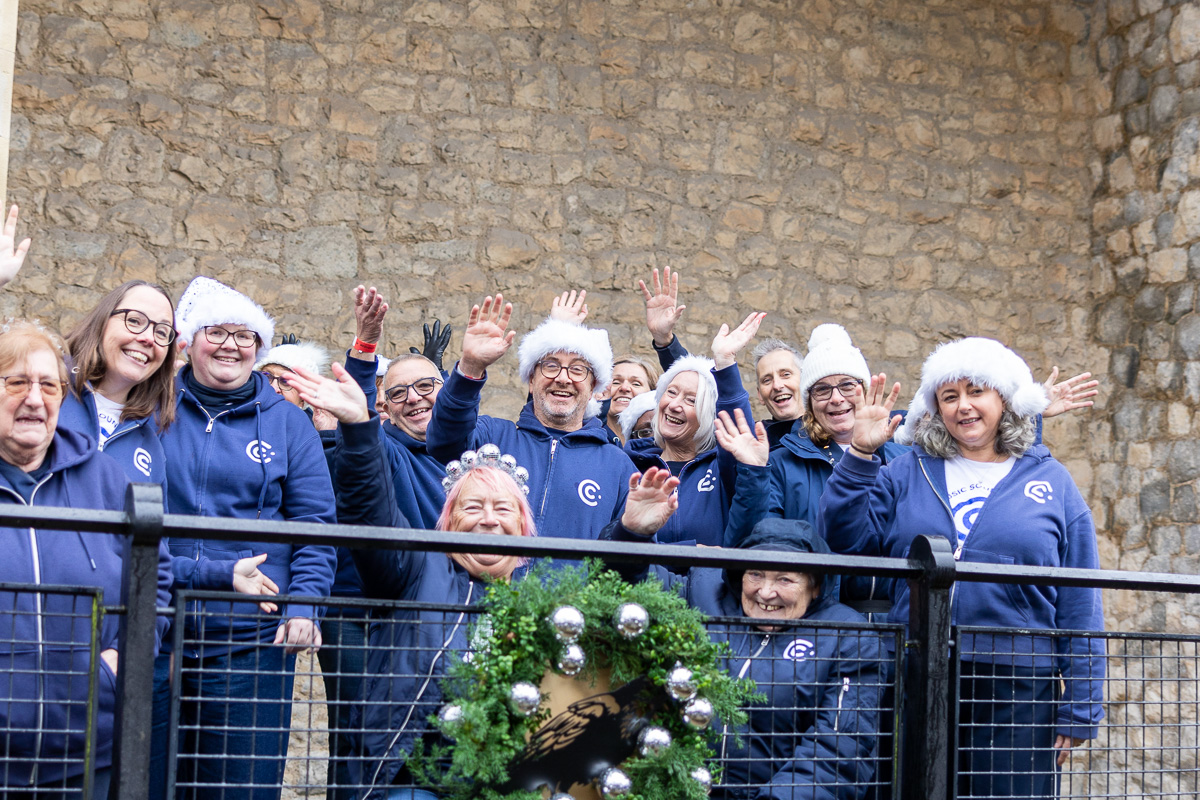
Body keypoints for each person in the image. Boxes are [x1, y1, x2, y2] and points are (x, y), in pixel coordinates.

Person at [821, 337, 1106, 799]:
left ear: (1004, 400)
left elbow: (1080, 600)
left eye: (977, 392)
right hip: (919, 669)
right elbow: (844, 537)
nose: (964, 406)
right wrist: (859, 455)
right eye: (949, 396)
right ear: (935, 408)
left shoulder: (1052, 481)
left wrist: (1080, 705)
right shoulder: (907, 470)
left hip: (1020, 682)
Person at [605, 411, 883, 800]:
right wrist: (630, 534)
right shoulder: (703, 593)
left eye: (785, 579)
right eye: (755, 575)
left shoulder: (846, 636)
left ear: (815, 587)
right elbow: (621, 589)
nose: (766, 592)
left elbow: (839, 750)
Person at [290, 362, 536, 800]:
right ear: (448, 521)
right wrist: (361, 427)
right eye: (472, 507)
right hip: (410, 776)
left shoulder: (542, 592)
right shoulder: (417, 569)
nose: (488, 520)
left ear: (523, 524)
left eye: (502, 509)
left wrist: (633, 532)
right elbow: (371, 508)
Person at [156, 276, 337, 800]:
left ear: (258, 348)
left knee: (237, 787)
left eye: (245, 336)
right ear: (189, 341)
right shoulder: (153, 405)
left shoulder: (286, 424)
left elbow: (316, 523)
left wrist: (304, 605)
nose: (231, 345)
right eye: (217, 332)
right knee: (146, 777)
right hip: (159, 622)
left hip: (248, 640)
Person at [0, 320, 172, 799]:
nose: (34, 399)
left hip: (84, 746)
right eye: (16, 382)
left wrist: (119, 663)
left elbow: (155, 576)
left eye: (49, 385)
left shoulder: (102, 477)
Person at [425, 295, 636, 541]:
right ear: (532, 379)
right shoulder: (492, 437)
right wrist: (470, 367)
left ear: (593, 387)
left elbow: (632, 559)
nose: (563, 378)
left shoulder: (618, 467)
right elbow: (443, 442)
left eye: (578, 369)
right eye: (550, 365)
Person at [622, 313, 763, 546]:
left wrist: (725, 363)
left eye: (691, 400)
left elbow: (738, 432)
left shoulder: (722, 470)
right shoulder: (629, 464)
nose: (675, 405)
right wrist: (690, 551)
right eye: (671, 392)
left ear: (708, 417)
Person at [59, 280, 179, 486]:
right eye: (134, 321)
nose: (148, 338)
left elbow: (148, 517)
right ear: (103, 321)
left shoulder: (151, 447)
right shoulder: (48, 387)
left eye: (161, 332)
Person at [749, 338, 805, 448]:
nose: (777, 386)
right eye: (767, 380)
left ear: (805, 379)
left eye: (786, 374)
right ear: (760, 395)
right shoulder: (755, 442)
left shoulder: (833, 431)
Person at [605, 355, 660, 444]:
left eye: (636, 384)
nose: (624, 388)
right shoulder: (587, 437)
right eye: (615, 382)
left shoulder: (663, 443)